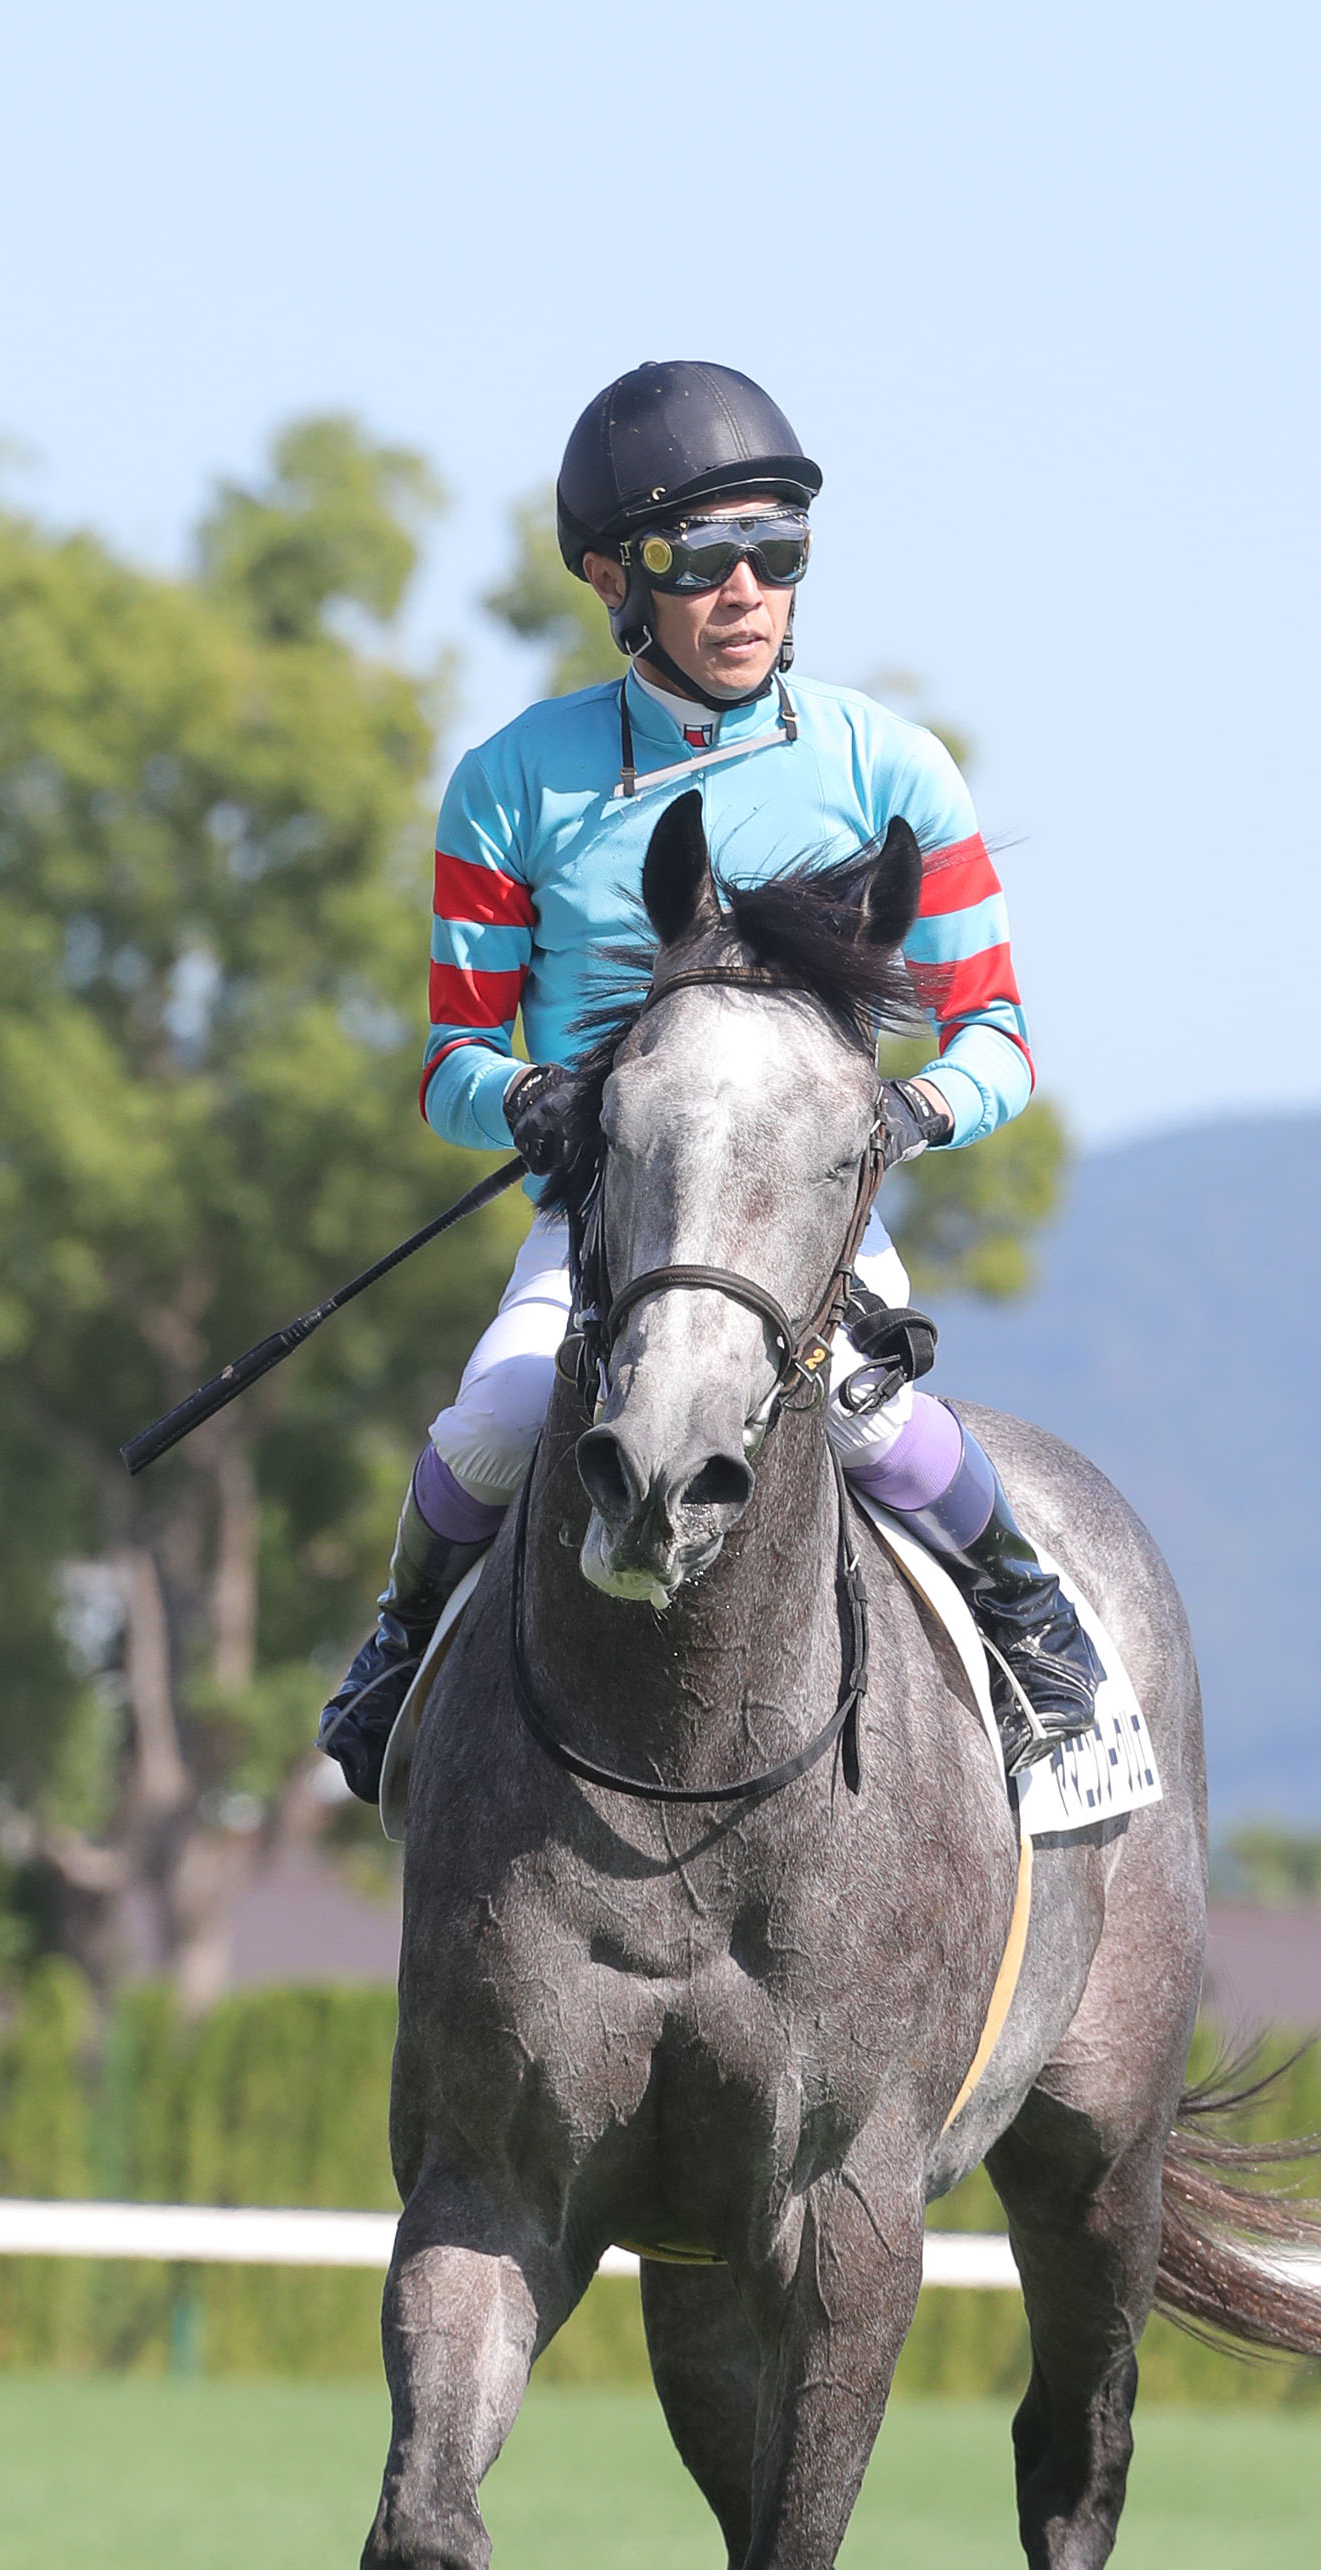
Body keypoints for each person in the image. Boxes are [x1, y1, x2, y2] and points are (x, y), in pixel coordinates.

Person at [319, 359, 1103, 1798]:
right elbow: (447, 1066)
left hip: (807, 1220)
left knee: (870, 1416)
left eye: (776, 552)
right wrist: (525, 1100)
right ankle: (397, 1641)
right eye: (700, 559)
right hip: (605, 1220)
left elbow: (998, 1040)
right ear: (615, 577)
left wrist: (908, 1110)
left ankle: (1034, 1622)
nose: (746, 593)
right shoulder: (510, 782)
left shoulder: (892, 769)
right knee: (498, 1418)